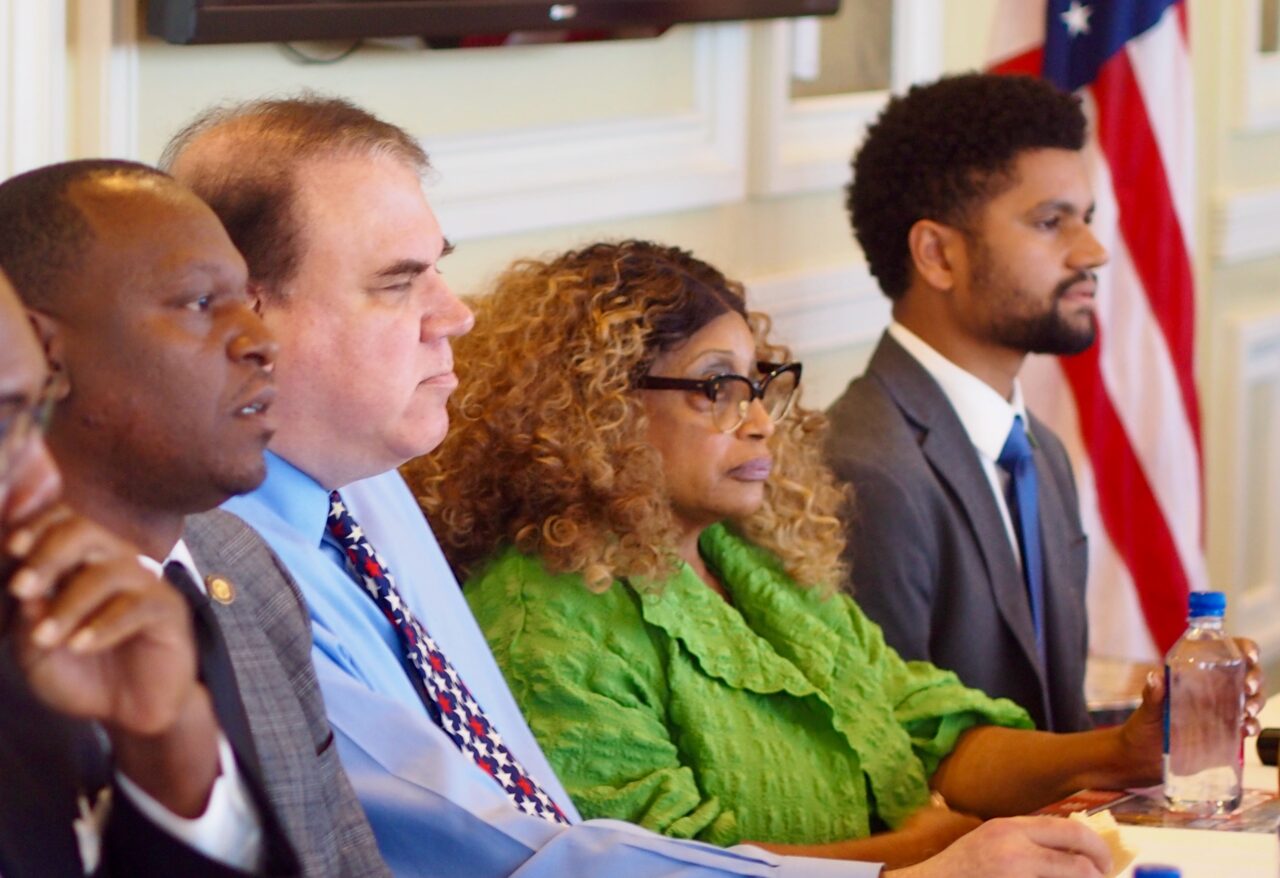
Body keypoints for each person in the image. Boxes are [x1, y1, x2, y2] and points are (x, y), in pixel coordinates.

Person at [165, 93, 1120, 878]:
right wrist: (904, 872)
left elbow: (920, 723)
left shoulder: (371, 492)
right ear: (250, 315)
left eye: (439, 273)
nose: (452, 315)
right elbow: (508, 854)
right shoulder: (215, 564)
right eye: (397, 282)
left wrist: (1113, 760)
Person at [405, 238, 1262, 868]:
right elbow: (663, 868)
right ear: (592, 407)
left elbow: (935, 735)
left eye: (759, 384)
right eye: (715, 389)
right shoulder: (544, 622)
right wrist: (912, 858)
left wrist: (1120, 753)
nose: (758, 420)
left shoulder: (751, 562)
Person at [0, 160, 388, 878]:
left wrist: (179, 772)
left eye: (249, 301)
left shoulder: (241, 566)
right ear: (44, 353)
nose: (260, 342)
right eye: (200, 302)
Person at [825, 72, 1100, 731]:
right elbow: (898, 759)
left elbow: (1060, 722)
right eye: (1049, 222)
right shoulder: (865, 468)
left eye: (1086, 220)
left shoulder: (1039, 450)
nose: (1095, 252)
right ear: (937, 255)